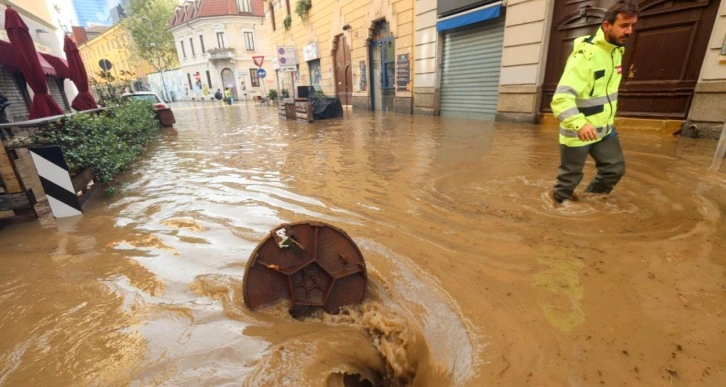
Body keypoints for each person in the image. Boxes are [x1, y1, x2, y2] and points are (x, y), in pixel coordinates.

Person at [550, 0, 639, 204]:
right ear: (607, 25)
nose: (629, 31)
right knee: (568, 181)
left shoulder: (617, 50)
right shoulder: (585, 56)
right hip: (579, 132)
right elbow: (560, 99)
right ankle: (555, 215)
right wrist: (580, 124)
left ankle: (591, 203)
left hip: (605, 129)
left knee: (614, 169)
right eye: (624, 25)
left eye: (632, 25)